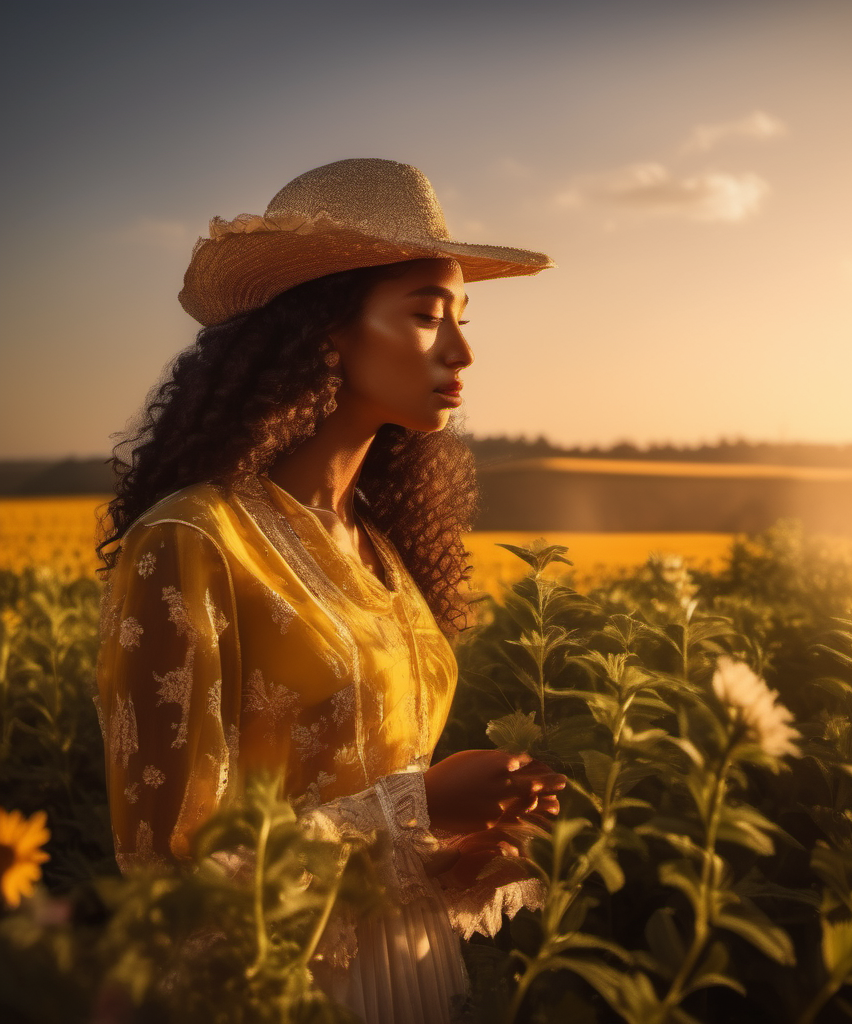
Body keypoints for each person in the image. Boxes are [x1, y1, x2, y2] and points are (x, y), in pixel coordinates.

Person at [94, 157, 564, 1024]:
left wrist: (459, 840)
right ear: (327, 332)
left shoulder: (380, 551)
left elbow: (368, 810)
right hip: (274, 994)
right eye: (426, 316)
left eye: (462, 316)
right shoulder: (192, 539)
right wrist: (420, 805)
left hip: (404, 974)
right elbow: (172, 875)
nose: (462, 348)